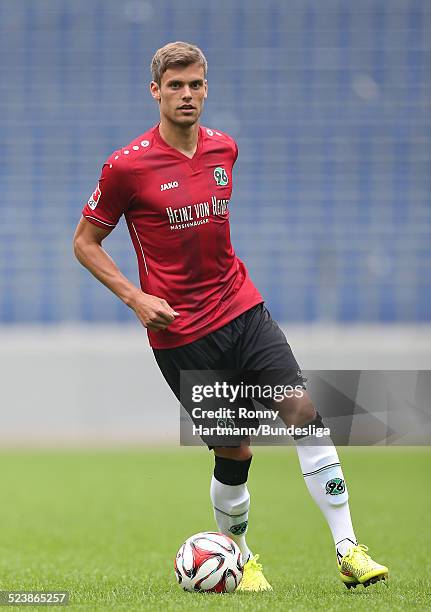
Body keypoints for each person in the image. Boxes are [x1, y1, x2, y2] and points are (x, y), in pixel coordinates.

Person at [73, 41, 388, 591]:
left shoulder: (225, 149)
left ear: (206, 87)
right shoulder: (126, 167)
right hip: (182, 336)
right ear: (156, 92)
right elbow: (85, 242)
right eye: (175, 86)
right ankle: (240, 559)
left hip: (243, 310)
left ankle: (348, 547)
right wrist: (136, 298)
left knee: (304, 412)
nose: (187, 94)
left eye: (195, 84)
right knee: (235, 450)